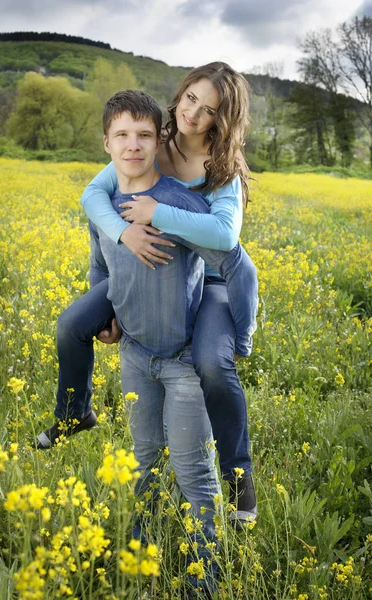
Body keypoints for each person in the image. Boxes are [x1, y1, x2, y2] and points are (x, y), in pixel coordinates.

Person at [74, 90, 252, 594]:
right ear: (106, 143)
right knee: (143, 459)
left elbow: (230, 260)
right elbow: (99, 267)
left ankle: (207, 577)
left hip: (183, 362)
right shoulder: (102, 203)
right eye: (123, 136)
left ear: (160, 141)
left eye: (145, 136)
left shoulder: (179, 202)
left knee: (193, 469)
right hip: (134, 354)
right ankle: (139, 556)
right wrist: (104, 315)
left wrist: (237, 330)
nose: (133, 146)